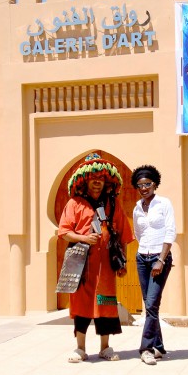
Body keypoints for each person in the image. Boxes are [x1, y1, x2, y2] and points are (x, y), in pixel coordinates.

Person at [58, 153, 135, 363]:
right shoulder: (74, 203)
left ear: (106, 181)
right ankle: (80, 349)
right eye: (93, 178)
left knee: (105, 304)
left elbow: (123, 236)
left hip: (105, 269)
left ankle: (105, 347)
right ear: (85, 180)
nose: (97, 181)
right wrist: (84, 237)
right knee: (82, 304)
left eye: (101, 178)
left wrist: (123, 262)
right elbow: (64, 231)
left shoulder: (113, 205)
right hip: (81, 267)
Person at [131, 164, 176, 365]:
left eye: (148, 184)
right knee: (150, 306)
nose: (144, 188)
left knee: (151, 304)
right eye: (140, 185)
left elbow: (170, 232)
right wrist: (146, 253)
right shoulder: (137, 208)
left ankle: (146, 348)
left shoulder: (164, 204)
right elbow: (138, 234)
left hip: (160, 258)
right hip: (142, 258)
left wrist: (161, 259)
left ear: (155, 184)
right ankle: (158, 346)